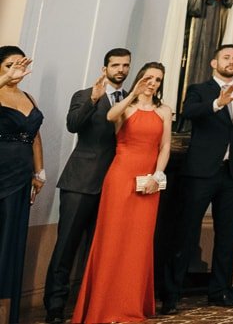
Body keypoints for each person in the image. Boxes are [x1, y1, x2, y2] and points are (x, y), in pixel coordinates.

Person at [161, 43, 233, 312]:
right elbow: (189, 113)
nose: (232, 61)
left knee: (227, 236)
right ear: (214, 63)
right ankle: (172, 294)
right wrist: (218, 103)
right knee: (186, 233)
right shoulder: (198, 90)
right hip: (200, 173)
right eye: (226, 57)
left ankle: (220, 291)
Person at [71, 62, 171, 324]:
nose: (153, 83)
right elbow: (110, 116)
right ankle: (105, 304)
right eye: (148, 78)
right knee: (113, 239)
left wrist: (157, 176)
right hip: (120, 178)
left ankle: (130, 303)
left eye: (158, 80)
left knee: (138, 242)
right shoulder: (127, 109)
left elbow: (165, 146)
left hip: (149, 182)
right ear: (139, 79)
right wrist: (133, 94)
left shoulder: (164, 111)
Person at [44, 48, 131, 324]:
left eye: (125, 65)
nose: (121, 69)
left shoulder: (132, 100)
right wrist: (93, 99)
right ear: (105, 68)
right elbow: (73, 125)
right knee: (66, 245)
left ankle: (92, 302)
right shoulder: (84, 94)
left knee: (101, 248)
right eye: (115, 65)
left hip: (115, 184)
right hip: (81, 181)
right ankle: (55, 306)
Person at [0, 47, 43, 324]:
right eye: (9, 65)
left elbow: (34, 137)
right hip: (0, 174)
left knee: (11, 243)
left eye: (19, 64)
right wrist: (4, 80)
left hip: (21, 177)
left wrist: (40, 172)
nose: (16, 70)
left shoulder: (28, 97)